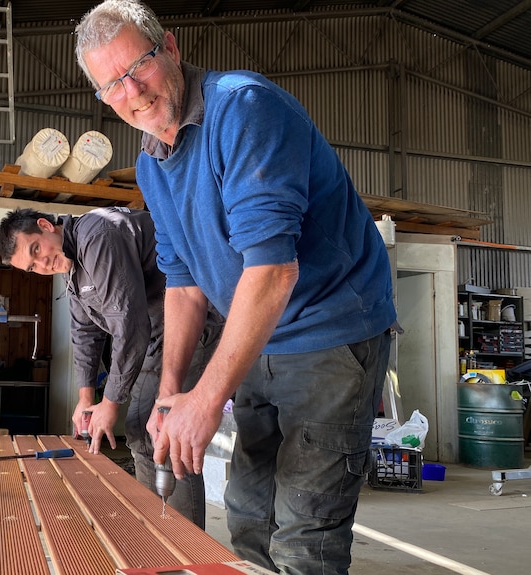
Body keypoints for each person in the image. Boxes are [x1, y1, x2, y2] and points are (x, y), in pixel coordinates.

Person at [74, 2, 397, 574]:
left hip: (328, 332)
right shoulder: (152, 162)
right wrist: (173, 390)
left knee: (305, 531)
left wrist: (208, 397)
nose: (134, 92)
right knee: (249, 514)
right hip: (257, 340)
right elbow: (182, 281)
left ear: (170, 47)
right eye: (112, 85)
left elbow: (274, 269)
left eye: (140, 66)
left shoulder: (243, 109)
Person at [0, 206, 223, 528]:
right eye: (32, 266)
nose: (43, 264)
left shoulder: (97, 236)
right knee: (143, 428)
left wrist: (111, 402)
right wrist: (86, 398)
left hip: (194, 324)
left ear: (46, 226)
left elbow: (129, 326)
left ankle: (180, 541)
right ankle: (159, 531)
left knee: (157, 427)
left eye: (37, 250)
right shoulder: (72, 269)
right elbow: (84, 332)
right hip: (159, 335)